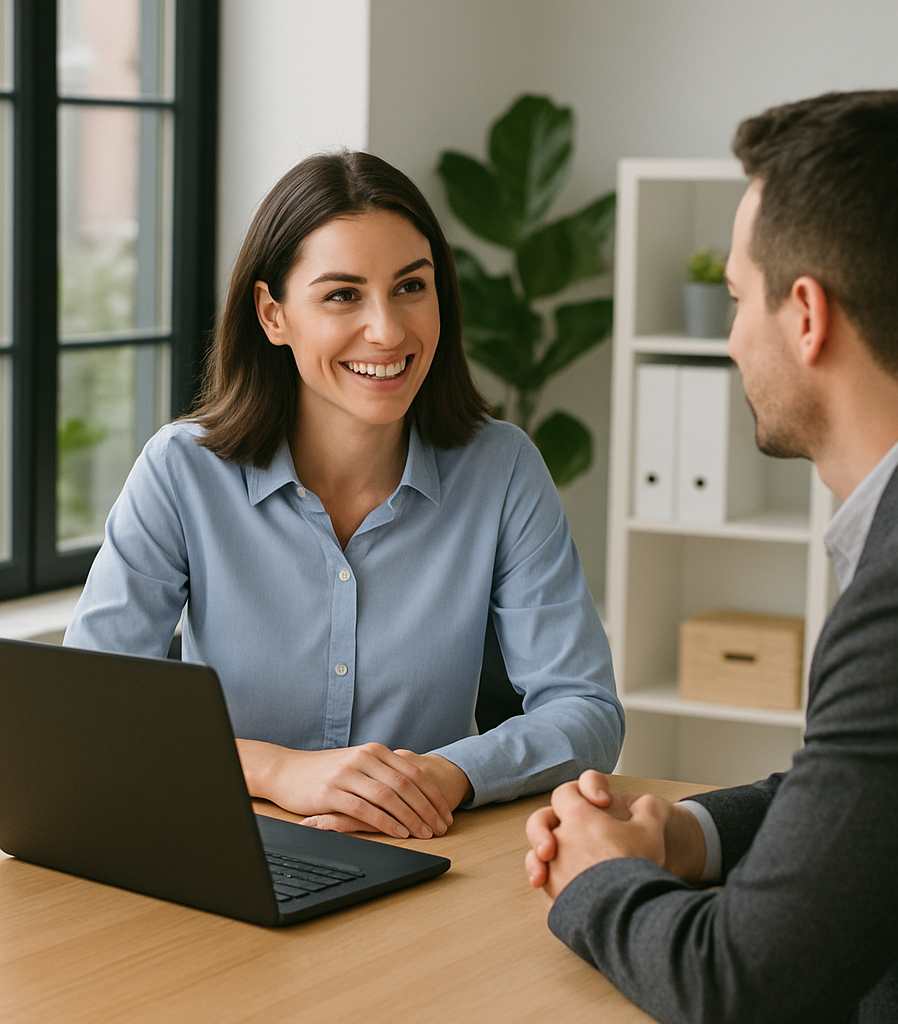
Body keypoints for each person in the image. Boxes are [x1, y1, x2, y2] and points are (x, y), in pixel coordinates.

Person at [525, 90, 898, 1023]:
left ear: (806, 315)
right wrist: (689, 835)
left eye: (736, 298)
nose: (729, 338)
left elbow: (740, 986)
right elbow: (885, 789)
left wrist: (595, 877)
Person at [64, 151, 623, 842]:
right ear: (273, 314)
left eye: (411, 287)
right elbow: (89, 713)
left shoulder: (502, 468)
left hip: (430, 850)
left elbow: (586, 711)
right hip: (227, 851)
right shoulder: (181, 471)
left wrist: (445, 774)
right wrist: (277, 771)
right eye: (342, 295)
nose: (387, 330)